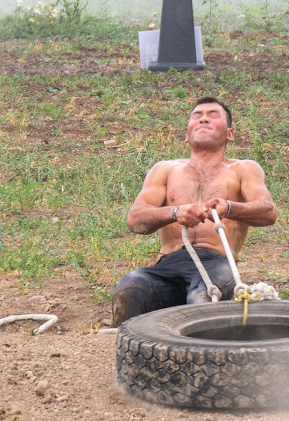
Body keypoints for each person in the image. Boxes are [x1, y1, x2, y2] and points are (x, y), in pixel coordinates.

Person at [111, 97, 278, 325]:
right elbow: (135, 220)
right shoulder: (165, 169)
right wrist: (174, 212)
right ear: (187, 135)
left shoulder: (244, 169)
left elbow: (268, 212)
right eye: (197, 115)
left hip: (215, 263)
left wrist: (229, 207)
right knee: (129, 290)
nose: (204, 118)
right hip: (168, 264)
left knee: (203, 297)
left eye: (213, 114)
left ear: (229, 134)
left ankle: (204, 357)